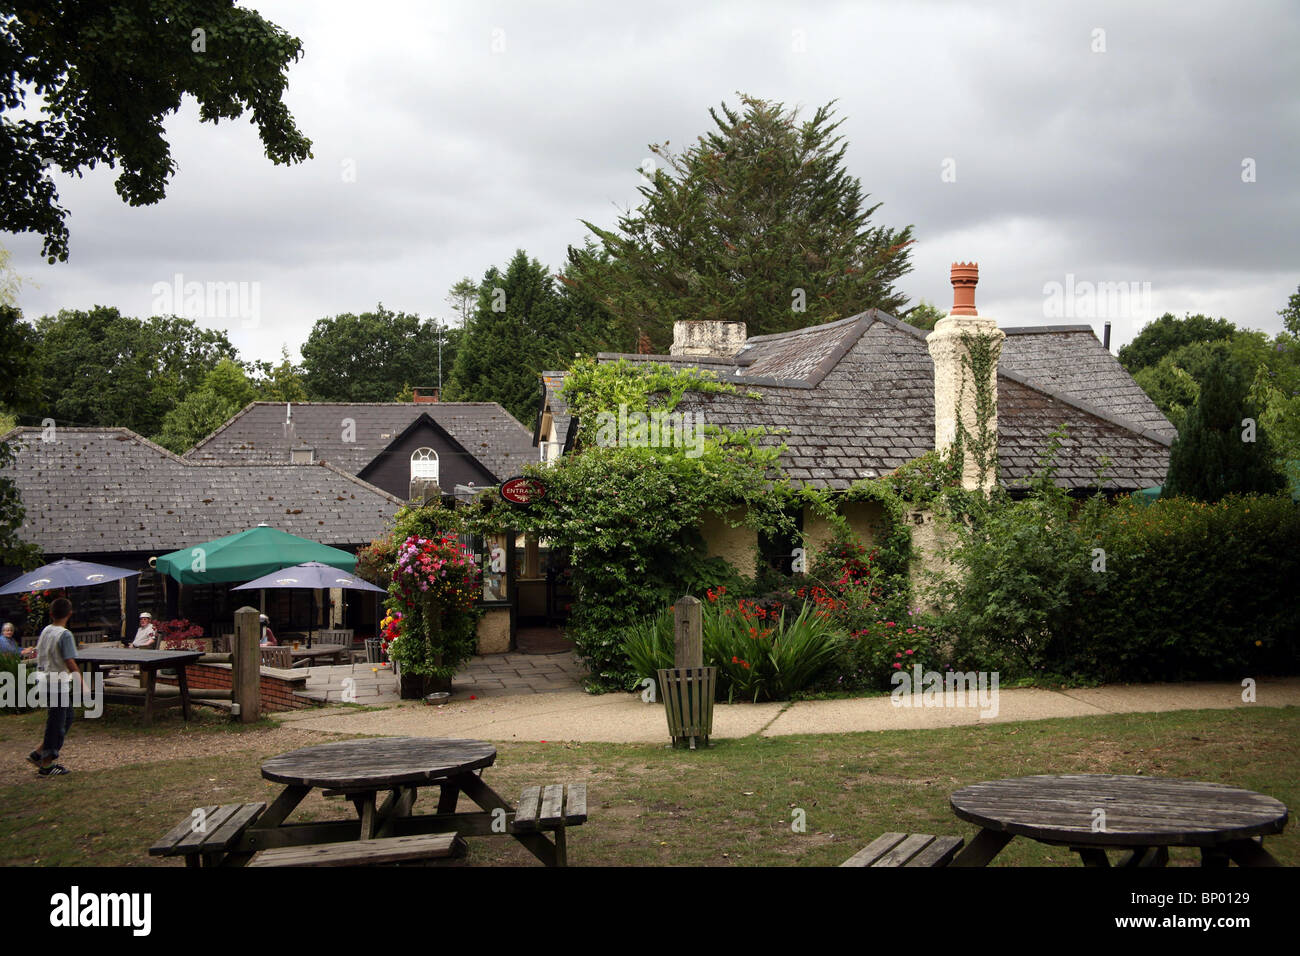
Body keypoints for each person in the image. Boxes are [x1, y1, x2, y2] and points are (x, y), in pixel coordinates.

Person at [25, 597, 86, 778]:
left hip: (44, 678)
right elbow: (69, 660)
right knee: (57, 722)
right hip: (56, 682)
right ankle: (46, 764)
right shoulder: (64, 634)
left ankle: (39, 752)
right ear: (70, 614)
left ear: (51, 614)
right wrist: (81, 681)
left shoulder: (46, 630)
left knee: (66, 717)